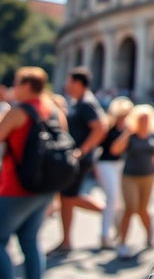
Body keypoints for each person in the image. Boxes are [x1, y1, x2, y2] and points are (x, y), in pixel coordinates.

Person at [0, 67, 66, 279]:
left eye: (17, 83)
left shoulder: (19, 111)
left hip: (17, 186)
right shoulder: (54, 109)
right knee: (30, 239)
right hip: (46, 185)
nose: (14, 88)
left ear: (27, 86)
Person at [49, 66, 107, 255]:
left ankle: (107, 212)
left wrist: (82, 151)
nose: (66, 85)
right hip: (78, 157)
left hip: (80, 159)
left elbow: (100, 127)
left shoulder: (86, 103)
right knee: (66, 197)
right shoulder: (79, 102)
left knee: (69, 197)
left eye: (69, 81)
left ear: (78, 83)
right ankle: (66, 240)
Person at [111, 104, 154, 259]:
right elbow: (115, 150)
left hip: (148, 176)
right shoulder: (131, 135)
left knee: (142, 209)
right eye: (141, 119)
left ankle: (149, 231)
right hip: (129, 176)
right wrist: (127, 133)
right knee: (130, 208)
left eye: (146, 119)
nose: (143, 122)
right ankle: (122, 242)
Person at [94, 96, 133, 249]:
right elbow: (113, 149)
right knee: (112, 198)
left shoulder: (130, 127)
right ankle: (105, 235)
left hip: (122, 164)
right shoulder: (109, 126)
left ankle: (117, 232)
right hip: (106, 163)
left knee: (120, 201)